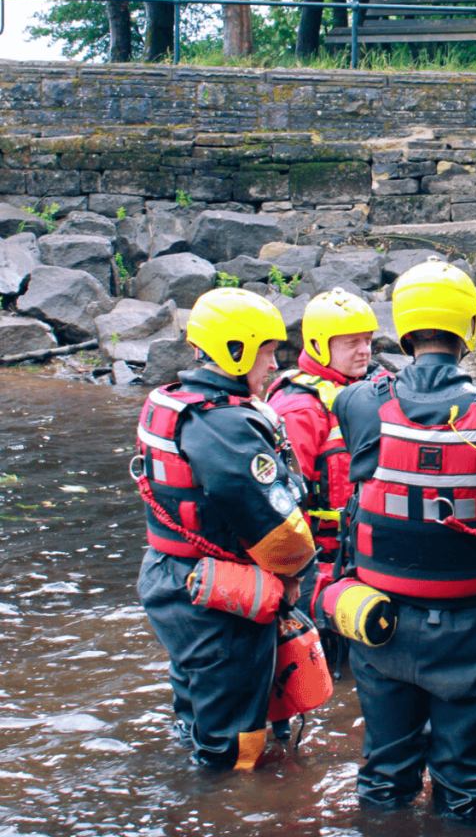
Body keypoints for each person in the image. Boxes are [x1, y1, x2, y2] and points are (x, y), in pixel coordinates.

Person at [332, 258, 476, 823]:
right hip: (473, 629)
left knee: (385, 774)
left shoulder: (359, 402)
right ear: (468, 327)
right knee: (467, 787)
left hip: (380, 625)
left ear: (402, 325)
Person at [134, 288, 316, 769]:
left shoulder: (173, 401)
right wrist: (296, 578)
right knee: (236, 736)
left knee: (196, 704)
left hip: (172, 577)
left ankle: (195, 781)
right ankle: (230, 805)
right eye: (266, 352)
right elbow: (272, 521)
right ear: (234, 350)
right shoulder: (225, 424)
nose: (275, 365)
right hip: (215, 597)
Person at [267, 290, 382, 576]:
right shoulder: (299, 409)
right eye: (352, 342)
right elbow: (284, 498)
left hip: (375, 545)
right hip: (327, 557)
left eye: (368, 340)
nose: (365, 350)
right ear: (318, 345)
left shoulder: (381, 384)